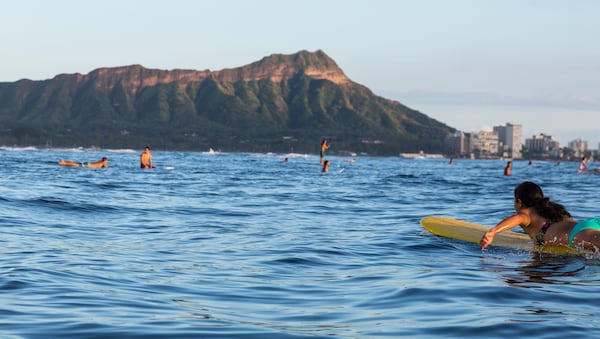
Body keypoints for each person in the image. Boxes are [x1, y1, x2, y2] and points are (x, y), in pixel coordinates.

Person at [480, 181, 600, 252]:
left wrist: (493, 232)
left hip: (578, 234)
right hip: (588, 225)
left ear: (519, 202)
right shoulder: (549, 208)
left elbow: (516, 219)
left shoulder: (527, 213)